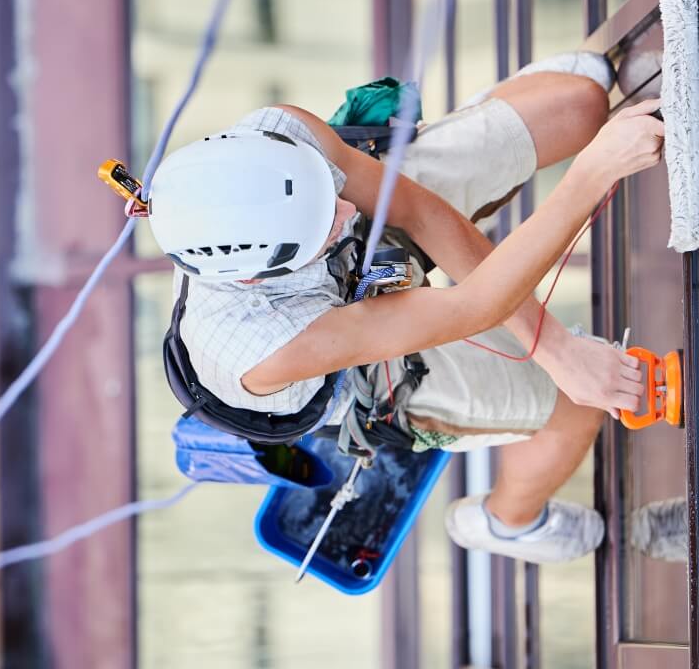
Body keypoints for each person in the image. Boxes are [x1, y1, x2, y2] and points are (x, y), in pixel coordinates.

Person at [146, 53, 666, 563]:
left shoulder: (277, 133)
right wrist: (594, 173)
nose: (348, 210)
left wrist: (554, 344)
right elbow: (475, 305)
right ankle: (508, 522)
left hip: (343, 267)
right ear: (259, 272)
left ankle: (482, 120)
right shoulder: (267, 347)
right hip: (354, 369)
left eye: (330, 191)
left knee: (581, 104)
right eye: (325, 219)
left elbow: (415, 212)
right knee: (576, 402)